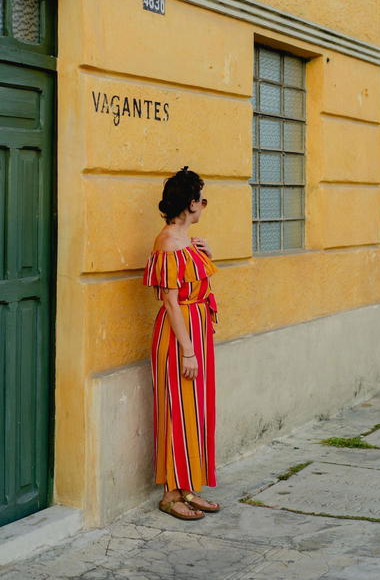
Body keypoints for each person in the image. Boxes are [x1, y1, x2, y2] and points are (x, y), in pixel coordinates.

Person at [143, 166, 220, 520]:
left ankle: (187, 486)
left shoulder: (186, 241)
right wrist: (188, 349)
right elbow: (172, 301)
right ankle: (169, 495)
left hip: (196, 330)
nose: (204, 206)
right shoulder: (170, 240)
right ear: (191, 203)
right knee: (177, 409)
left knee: (195, 410)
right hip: (179, 336)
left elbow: (193, 282)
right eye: (202, 200)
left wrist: (205, 253)